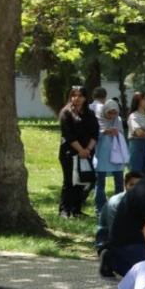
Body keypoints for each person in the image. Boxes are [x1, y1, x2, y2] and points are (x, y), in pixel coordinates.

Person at [59, 85, 101, 218]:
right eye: (74, 95)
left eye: (80, 95)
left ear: (85, 98)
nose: (76, 98)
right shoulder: (66, 113)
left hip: (87, 152)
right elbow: (68, 135)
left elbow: (95, 133)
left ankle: (76, 210)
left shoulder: (90, 114)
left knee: (82, 181)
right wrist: (80, 150)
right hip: (69, 152)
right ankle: (65, 210)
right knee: (69, 181)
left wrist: (88, 149)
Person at [98, 171, 144, 276]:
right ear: (125, 185)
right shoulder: (117, 203)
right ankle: (109, 258)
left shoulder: (138, 200)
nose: (135, 188)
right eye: (132, 185)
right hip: (112, 242)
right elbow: (115, 232)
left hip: (130, 239)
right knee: (139, 272)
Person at [93, 98, 128, 216]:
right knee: (100, 183)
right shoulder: (97, 119)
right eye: (109, 112)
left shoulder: (117, 120)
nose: (112, 115)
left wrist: (117, 133)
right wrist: (104, 132)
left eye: (114, 113)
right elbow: (93, 136)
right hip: (102, 155)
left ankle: (118, 206)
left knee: (119, 182)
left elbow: (122, 135)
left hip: (116, 156)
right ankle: (100, 208)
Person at [127, 92, 145, 174]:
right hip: (137, 145)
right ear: (137, 101)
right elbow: (138, 132)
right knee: (136, 172)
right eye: (144, 99)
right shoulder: (133, 116)